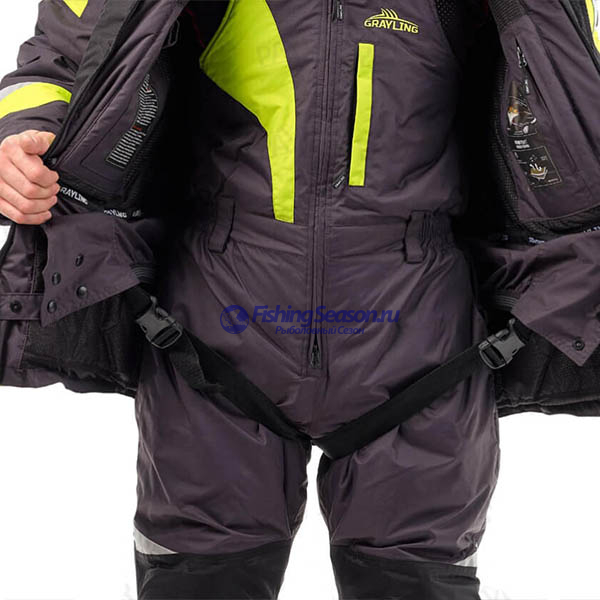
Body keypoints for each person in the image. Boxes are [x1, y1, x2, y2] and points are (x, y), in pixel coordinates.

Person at [0, 1, 504, 598]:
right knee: (199, 579)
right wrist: (21, 135)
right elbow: (66, 57)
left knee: (417, 578)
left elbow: (568, 76)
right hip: (214, 337)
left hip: (418, 339)